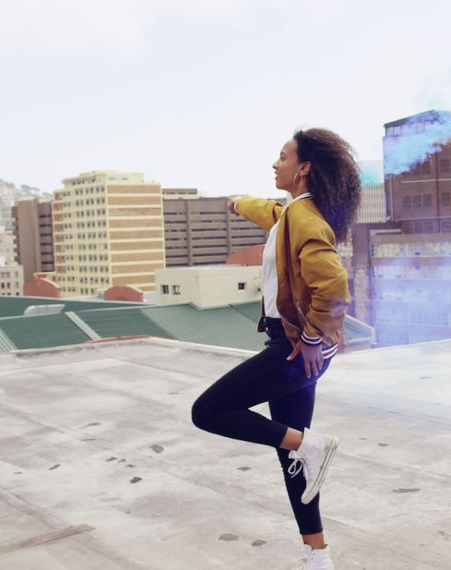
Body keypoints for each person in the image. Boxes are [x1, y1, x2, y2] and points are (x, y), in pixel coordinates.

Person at [191, 128, 360, 569]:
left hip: (291, 348)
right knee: (296, 459)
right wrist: (236, 202)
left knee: (207, 411)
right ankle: (317, 555)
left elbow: (334, 286)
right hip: (298, 349)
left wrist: (310, 337)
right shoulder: (293, 213)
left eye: (282, 156)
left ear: (303, 167)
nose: (275, 162)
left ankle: (311, 443)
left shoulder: (304, 220)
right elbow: (268, 211)